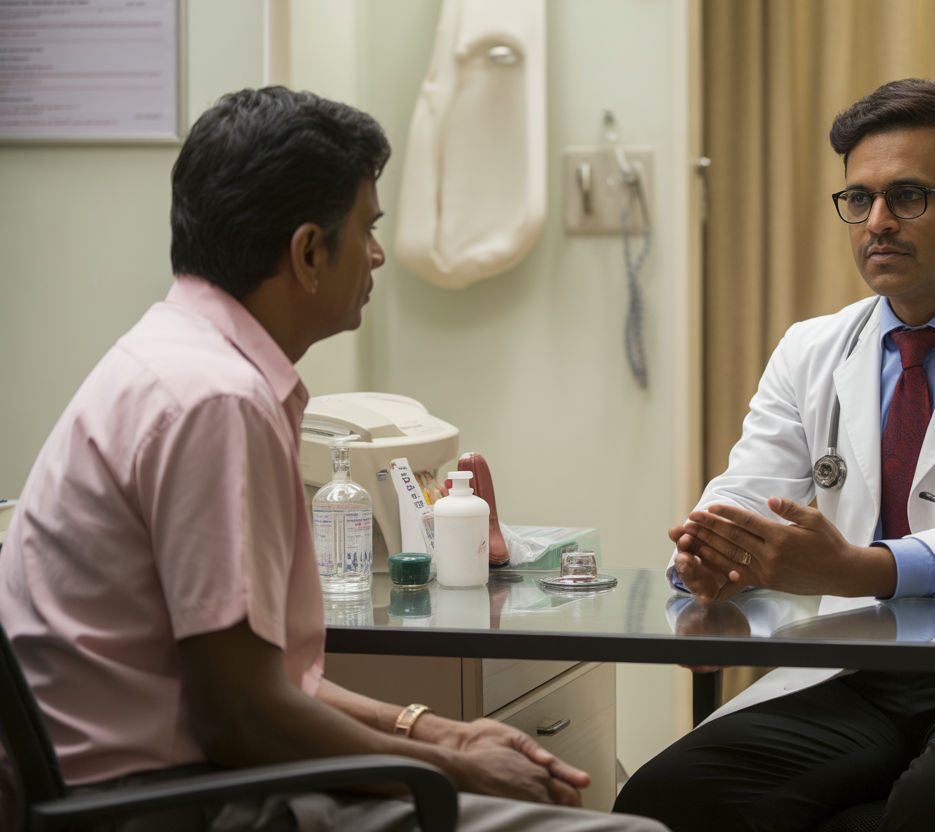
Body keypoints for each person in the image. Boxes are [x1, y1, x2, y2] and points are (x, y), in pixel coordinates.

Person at [0, 86, 665, 832]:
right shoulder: (216, 401)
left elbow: (266, 682)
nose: (377, 254)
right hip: (174, 808)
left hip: (161, 787)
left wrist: (440, 733)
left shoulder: (175, 359)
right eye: (367, 228)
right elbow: (243, 719)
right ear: (309, 252)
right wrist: (447, 769)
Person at [613, 78, 935, 831]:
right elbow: (746, 491)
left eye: (908, 197)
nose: (877, 223)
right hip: (859, 665)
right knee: (664, 798)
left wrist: (861, 569)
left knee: (934, 809)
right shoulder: (812, 348)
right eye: (859, 200)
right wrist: (709, 558)